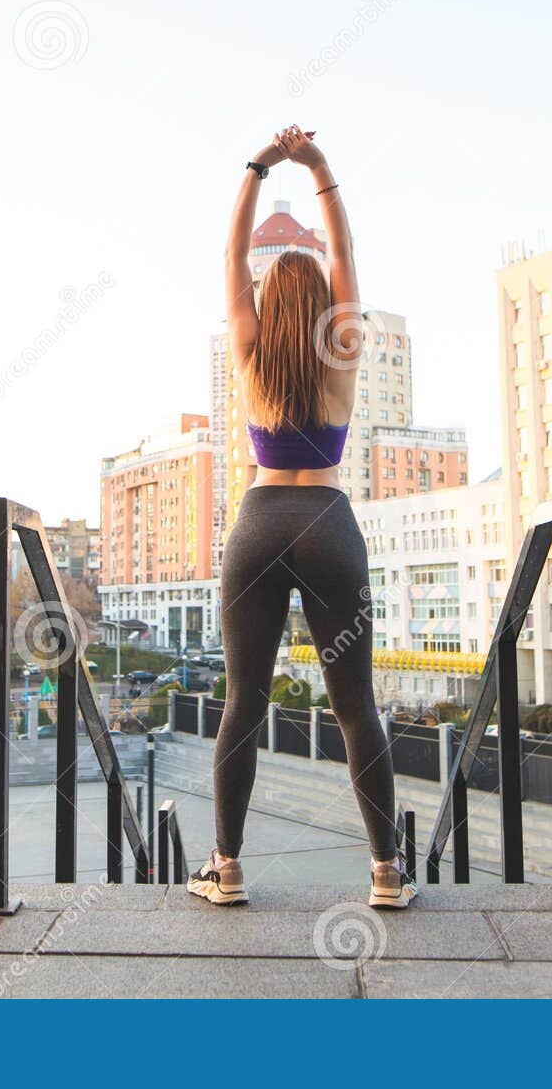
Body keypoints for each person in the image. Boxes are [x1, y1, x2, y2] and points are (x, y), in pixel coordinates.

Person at [187, 125, 415, 910]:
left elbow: (228, 259)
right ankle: (386, 874)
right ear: (321, 302)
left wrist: (256, 166)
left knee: (243, 702)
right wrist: (317, 167)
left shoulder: (248, 347)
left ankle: (226, 868)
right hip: (326, 523)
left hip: (257, 526)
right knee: (356, 707)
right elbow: (346, 257)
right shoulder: (342, 342)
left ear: (264, 301)